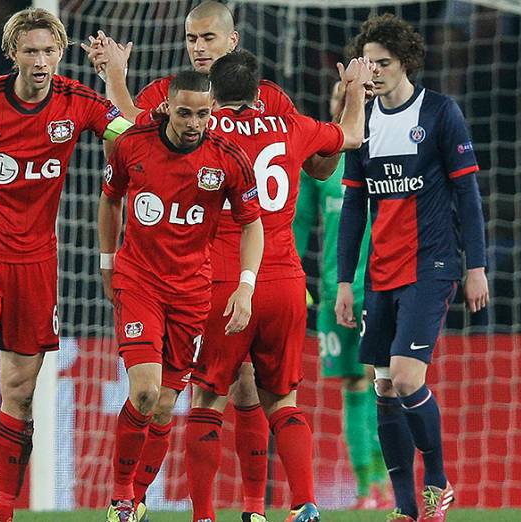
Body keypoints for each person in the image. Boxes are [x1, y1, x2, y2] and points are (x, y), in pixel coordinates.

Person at [82, 4, 338, 516]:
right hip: (207, 268)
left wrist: (115, 79)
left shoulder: (266, 99)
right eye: (191, 37)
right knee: (195, 394)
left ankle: (247, 508)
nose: (198, 46)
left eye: (208, 37)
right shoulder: (178, 95)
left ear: (233, 39)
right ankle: (138, 499)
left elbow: (124, 128)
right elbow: (129, 138)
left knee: (227, 393)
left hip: (230, 267)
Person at [0, 7, 132, 522]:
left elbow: (135, 134)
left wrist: (116, 78)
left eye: (49, 51)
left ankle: (6, 509)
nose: (41, 61)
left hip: (35, 263)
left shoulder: (77, 102)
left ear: (60, 54)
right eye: (30, 51)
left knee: (20, 389)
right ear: (12, 54)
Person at [182, 50, 370, 522]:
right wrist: (353, 91)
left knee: (208, 398)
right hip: (285, 281)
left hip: (223, 278)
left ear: (215, 94)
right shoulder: (290, 125)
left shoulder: (203, 130)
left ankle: (203, 514)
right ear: (257, 90)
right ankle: (304, 505)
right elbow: (350, 136)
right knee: (282, 400)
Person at [336, 14, 489, 522]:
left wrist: (477, 266)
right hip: (380, 272)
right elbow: (355, 206)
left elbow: (467, 194)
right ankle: (405, 508)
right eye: (369, 64)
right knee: (382, 387)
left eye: (384, 63)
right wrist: (342, 281)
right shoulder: (363, 123)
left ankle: (439, 483)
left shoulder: (441, 113)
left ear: (405, 63)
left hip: (433, 265)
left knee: (404, 378)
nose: (374, 73)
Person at [98, 70, 263, 522]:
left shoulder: (227, 158)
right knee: (146, 391)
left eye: (203, 114)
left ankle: (137, 496)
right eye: (185, 112)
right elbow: (110, 197)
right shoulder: (133, 143)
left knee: (167, 403)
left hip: (192, 290)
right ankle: (121, 497)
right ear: (168, 106)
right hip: (140, 282)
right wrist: (107, 262)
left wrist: (246, 285)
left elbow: (252, 223)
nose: (194, 122)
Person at [292, 80, 388, 511]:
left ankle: (389, 482)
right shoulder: (321, 165)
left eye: (356, 96)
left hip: (387, 285)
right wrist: (292, 275)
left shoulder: (391, 152)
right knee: (354, 381)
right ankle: (368, 490)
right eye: (339, 96)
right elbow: (298, 224)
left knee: (388, 382)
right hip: (338, 291)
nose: (346, 102)